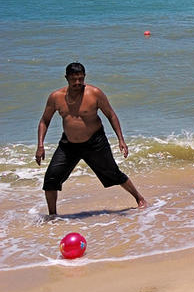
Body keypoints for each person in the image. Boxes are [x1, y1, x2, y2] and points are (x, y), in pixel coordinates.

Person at [35, 62, 147, 215]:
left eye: (81, 79)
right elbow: (44, 121)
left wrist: (121, 140)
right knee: (50, 180)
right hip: (69, 145)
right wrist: (40, 145)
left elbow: (111, 115)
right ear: (66, 78)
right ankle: (53, 215)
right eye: (74, 79)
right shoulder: (56, 97)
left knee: (114, 174)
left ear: (84, 77)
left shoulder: (94, 93)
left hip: (95, 142)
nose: (77, 83)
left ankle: (139, 198)